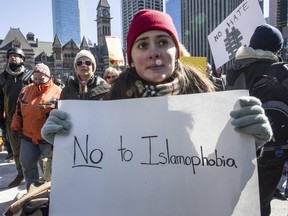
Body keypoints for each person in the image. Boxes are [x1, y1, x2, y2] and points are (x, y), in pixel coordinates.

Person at [41, 9, 272, 205]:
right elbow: (94, 177)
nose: (154, 52)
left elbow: (226, 172)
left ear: (177, 52)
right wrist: (66, 145)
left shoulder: (211, 103)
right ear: (130, 58)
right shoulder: (108, 108)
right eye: (142, 45)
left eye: (163, 41)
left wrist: (249, 142)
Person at [226, 24, 288, 216]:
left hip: (241, 147)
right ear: (276, 49)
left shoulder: (234, 70)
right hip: (275, 149)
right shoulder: (282, 71)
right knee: (261, 203)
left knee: (242, 201)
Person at [11, 63, 62, 190]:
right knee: (28, 166)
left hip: (48, 140)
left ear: (49, 77)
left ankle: (54, 192)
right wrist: (14, 127)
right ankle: (31, 192)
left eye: (41, 79)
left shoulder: (58, 92)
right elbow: (18, 111)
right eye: (36, 78)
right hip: (28, 137)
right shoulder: (25, 90)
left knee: (53, 169)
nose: (38, 82)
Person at [0, 47, 33, 188]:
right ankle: (21, 174)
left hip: (29, 117)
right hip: (10, 118)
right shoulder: (2, 77)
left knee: (34, 148)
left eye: (16, 55)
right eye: (11, 56)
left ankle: (36, 176)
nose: (13, 58)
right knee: (16, 149)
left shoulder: (30, 75)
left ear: (22, 59)